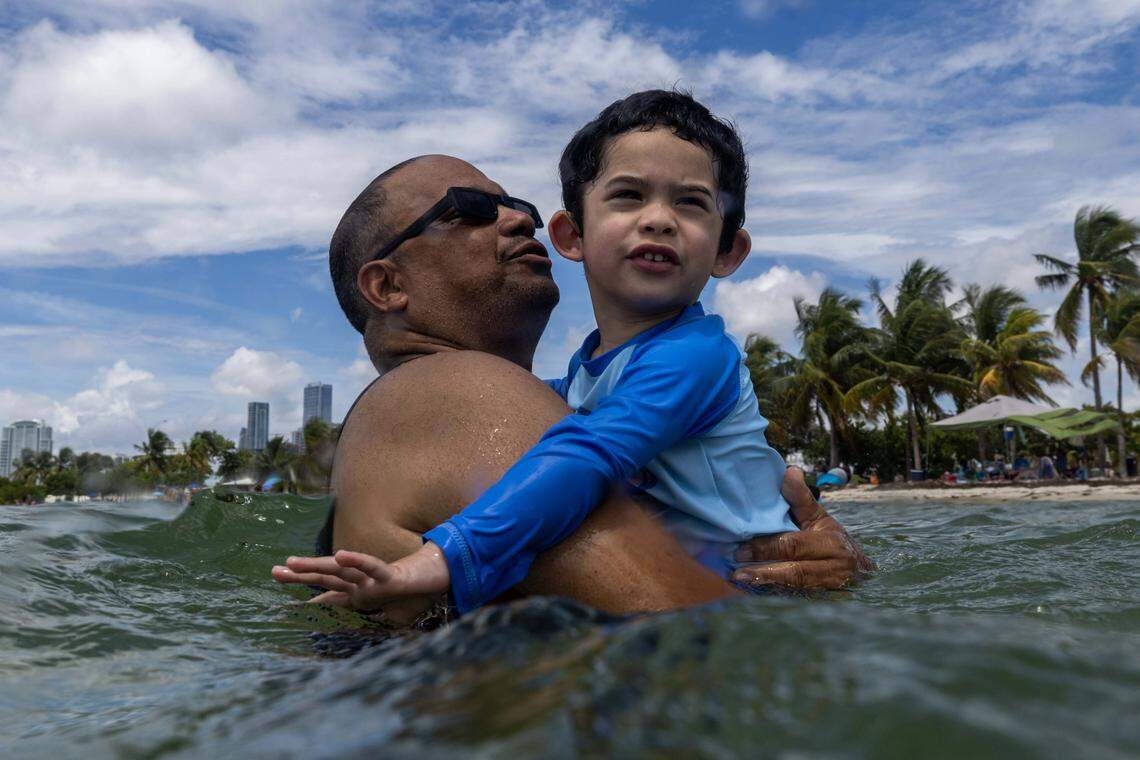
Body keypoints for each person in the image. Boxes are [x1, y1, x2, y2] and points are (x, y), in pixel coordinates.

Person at [272, 151, 871, 624]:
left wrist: (821, 563)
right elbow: (693, 636)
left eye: (519, 204)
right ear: (386, 286)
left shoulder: (551, 395)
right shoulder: (457, 391)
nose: (520, 217)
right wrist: (810, 601)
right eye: (470, 209)